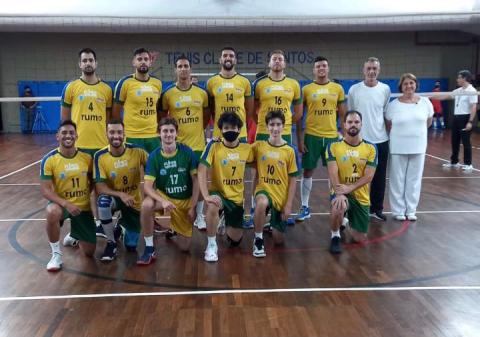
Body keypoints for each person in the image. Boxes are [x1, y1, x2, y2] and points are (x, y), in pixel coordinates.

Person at [61, 47, 113, 242]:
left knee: (100, 189)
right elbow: (65, 121)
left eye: (91, 60)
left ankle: (101, 225)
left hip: (100, 148)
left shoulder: (106, 89)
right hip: (80, 148)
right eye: (84, 60)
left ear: (96, 63)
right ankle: (78, 230)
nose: (88, 63)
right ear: (80, 64)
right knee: (82, 191)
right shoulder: (72, 87)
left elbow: (109, 120)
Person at [137, 117, 199, 265]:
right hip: (164, 197)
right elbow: (147, 186)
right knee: (146, 205)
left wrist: (193, 206)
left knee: (184, 247)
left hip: (183, 201)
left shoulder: (187, 152)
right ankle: (149, 248)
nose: (168, 134)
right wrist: (163, 200)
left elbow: (196, 181)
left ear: (177, 133)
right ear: (159, 133)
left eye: (172, 131)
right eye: (165, 131)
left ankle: (174, 229)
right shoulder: (154, 156)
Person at [160, 55, 210, 230]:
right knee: (179, 184)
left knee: (200, 181)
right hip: (178, 148)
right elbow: (162, 119)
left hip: (198, 146)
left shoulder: (202, 93)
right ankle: (177, 219)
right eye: (180, 66)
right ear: (175, 70)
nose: (183, 69)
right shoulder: (167, 94)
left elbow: (206, 118)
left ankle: (200, 216)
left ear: (190, 69)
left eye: (186, 66)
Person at [40, 120, 96, 271]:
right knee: (52, 212)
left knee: (90, 253)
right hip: (62, 205)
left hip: (82, 207)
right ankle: (56, 254)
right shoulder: (49, 159)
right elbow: (45, 190)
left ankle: (74, 235)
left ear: (77, 135)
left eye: (71, 132)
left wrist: (83, 197)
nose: (68, 135)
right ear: (57, 136)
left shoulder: (87, 158)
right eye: (64, 133)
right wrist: (66, 204)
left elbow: (93, 181)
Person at [295, 56, 346, 221]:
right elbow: (299, 117)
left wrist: (343, 136)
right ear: (314, 70)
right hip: (312, 135)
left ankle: (335, 203)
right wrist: (300, 140)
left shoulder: (337, 88)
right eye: (318, 66)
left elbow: (344, 115)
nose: (321, 68)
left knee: (334, 173)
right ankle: (304, 206)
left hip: (332, 137)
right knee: (308, 171)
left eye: (324, 65)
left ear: (328, 68)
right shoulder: (307, 89)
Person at [198, 112, 253, 262]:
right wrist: (206, 196)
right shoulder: (214, 146)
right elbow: (201, 169)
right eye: (226, 127)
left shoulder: (247, 149)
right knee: (213, 205)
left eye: (234, 127)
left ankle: (224, 219)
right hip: (219, 193)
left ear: (239, 130)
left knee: (235, 241)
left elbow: (259, 164)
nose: (230, 130)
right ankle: (211, 245)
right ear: (221, 130)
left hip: (236, 199)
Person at [93, 119, 149, 261]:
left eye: (119, 132)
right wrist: (121, 194)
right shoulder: (100, 156)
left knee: (131, 246)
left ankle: (121, 225)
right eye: (112, 132)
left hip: (134, 202)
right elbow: (99, 188)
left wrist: (152, 200)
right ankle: (111, 243)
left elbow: (154, 169)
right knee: (103, 201)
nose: (115, 136)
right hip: (115, 199)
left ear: (124, 134)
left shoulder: (138, 151)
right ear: (106, 133)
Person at [326, 110, 377, 253]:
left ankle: (345, 221)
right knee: (339, 204)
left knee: (359, 238)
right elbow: (332, 172)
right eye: (349, 122)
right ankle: (335, 236)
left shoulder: (371, 148)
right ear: (344, 125)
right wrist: (339, 193)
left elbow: (369, 176)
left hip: (361, 196)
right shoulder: (333, 146)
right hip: (340, 191)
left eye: (356, 122)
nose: (353, 125)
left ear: (361, 124)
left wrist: (350, 188)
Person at [347, 57, 391, 222]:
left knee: (379, 177)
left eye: (375, 68)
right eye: (369, 68)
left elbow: (386, 114)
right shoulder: (354, 90)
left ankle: (376, 209)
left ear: (378, 70)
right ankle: (355, 208)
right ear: (364, 70)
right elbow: (350, 116)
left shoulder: (385, 89)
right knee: (356, 176)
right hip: (360, 142)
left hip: (380, 140)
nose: (372, 71)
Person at [386, 73, 434, 221]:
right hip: (398, 147)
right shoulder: (393, 105)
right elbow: (389, 125)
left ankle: (411, 210)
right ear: (401, 86)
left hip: (418, 146)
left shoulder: (425, 102)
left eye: (411, 83)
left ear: (416, 85)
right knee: (397, 179)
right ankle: (398, 211)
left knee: (414, 179)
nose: (409, 86)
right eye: (406, 84)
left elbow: (428, 122)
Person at [251, 110, 299, 258]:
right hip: (263, 190)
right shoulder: (259, 146)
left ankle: (268, 221)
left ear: (284, 126)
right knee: (261, 203)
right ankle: (258, 239)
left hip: (281, 195)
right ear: (267, 126)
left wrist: (289, 204)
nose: (275, 128)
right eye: (272, 124)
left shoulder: (290, 151)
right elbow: (239, 152)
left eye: (278, 124)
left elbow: (293, 180)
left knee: (278, 240)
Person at [113, 47, 162, 154]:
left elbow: (157, 108)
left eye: (146, 59)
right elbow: (116, 112)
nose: (143, 62)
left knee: (153, 170)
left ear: (150, 62)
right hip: (132, 136)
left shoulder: (157, 83)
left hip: (153, 136)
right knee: (132, 170)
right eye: (139, 59)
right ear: (134, 63)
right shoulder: (125, 83)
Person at [253, 50, 302, 143]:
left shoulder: (294, 84)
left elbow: (299, 113)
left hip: (284, 132)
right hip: (263, 131)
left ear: (284, 64)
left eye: (280, 59)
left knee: (283, 158)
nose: (277, 61)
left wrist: (286, 123)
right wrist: (262, 123)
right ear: (269, 64)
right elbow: (252, 110)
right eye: (274, 59)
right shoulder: (259, 83)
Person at [206, 47, 253, 143]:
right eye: (225, 55)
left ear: (235, 60)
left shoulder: (245, 81)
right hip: (219, 134)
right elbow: (210, 109)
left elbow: (249, 110)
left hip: (240, 133)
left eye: (231, 56)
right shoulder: (211, 82)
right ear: (220, 60)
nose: (228, 58)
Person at [438, 70, 478, 171]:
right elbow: (446, 96)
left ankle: (468, 164)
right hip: (456, 118)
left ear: (464, 78)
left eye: (459, 77)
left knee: (466, 142)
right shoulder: (459, 90)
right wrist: (427, 96)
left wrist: (470, 121)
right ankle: (454, 161)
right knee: (454, 141)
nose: (457, 79)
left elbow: (474, 107)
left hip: (465, 118)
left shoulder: (472, 91)